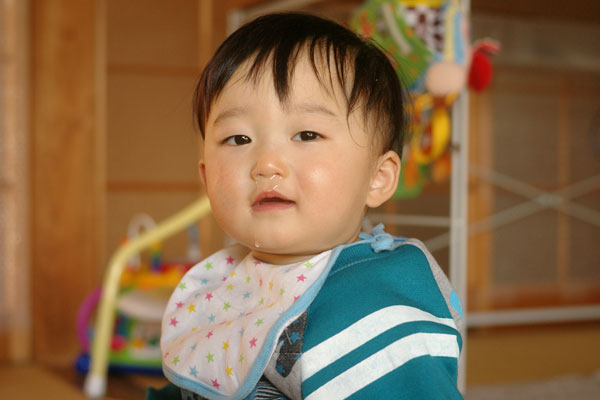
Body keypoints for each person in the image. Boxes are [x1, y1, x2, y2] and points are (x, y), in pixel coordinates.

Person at [155, 12, 464, 400]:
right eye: (238, 139)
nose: (266, 164)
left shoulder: (375, 307)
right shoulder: (226, 283)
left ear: (378, 177)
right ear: (205, 177)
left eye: (306, 134)